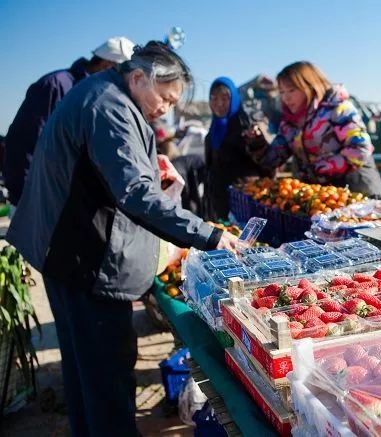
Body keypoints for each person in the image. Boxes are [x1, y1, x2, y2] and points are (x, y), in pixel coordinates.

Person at [6, 41, 236, 437]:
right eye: (164, 97)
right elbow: (136, 195)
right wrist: (208, 234)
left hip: (67, 256)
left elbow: (109, 172)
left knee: (85, 376)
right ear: (138, 77)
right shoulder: (110, 107)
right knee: (107, 383)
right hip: (85, 263)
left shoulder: (102, 94)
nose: (165, 109)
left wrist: (149, 164)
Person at [3, 36, 135, 206]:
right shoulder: (56, 85)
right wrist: (27, 197)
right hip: (38, 202)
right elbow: (25, 144)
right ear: (107, 66)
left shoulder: (100, 95)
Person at [246, 61, 381, 197]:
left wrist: (319, 169)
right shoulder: (290, 123)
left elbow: (360, 149)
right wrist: (256, 142)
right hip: (325, 199)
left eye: (292, 90)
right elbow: (272, 160)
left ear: (309, 86)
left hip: (359, 194)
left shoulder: (337, 108)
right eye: (282, 92)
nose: (286, 97)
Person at [205, 77, 274, 220]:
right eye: (214, 98)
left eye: (225, 98)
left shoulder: (247, 127)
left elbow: (267, 163)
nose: (219, 104)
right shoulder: (213, 131)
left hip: (246, 203)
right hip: (220, 202)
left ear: (234, 100)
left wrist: (256, 140)